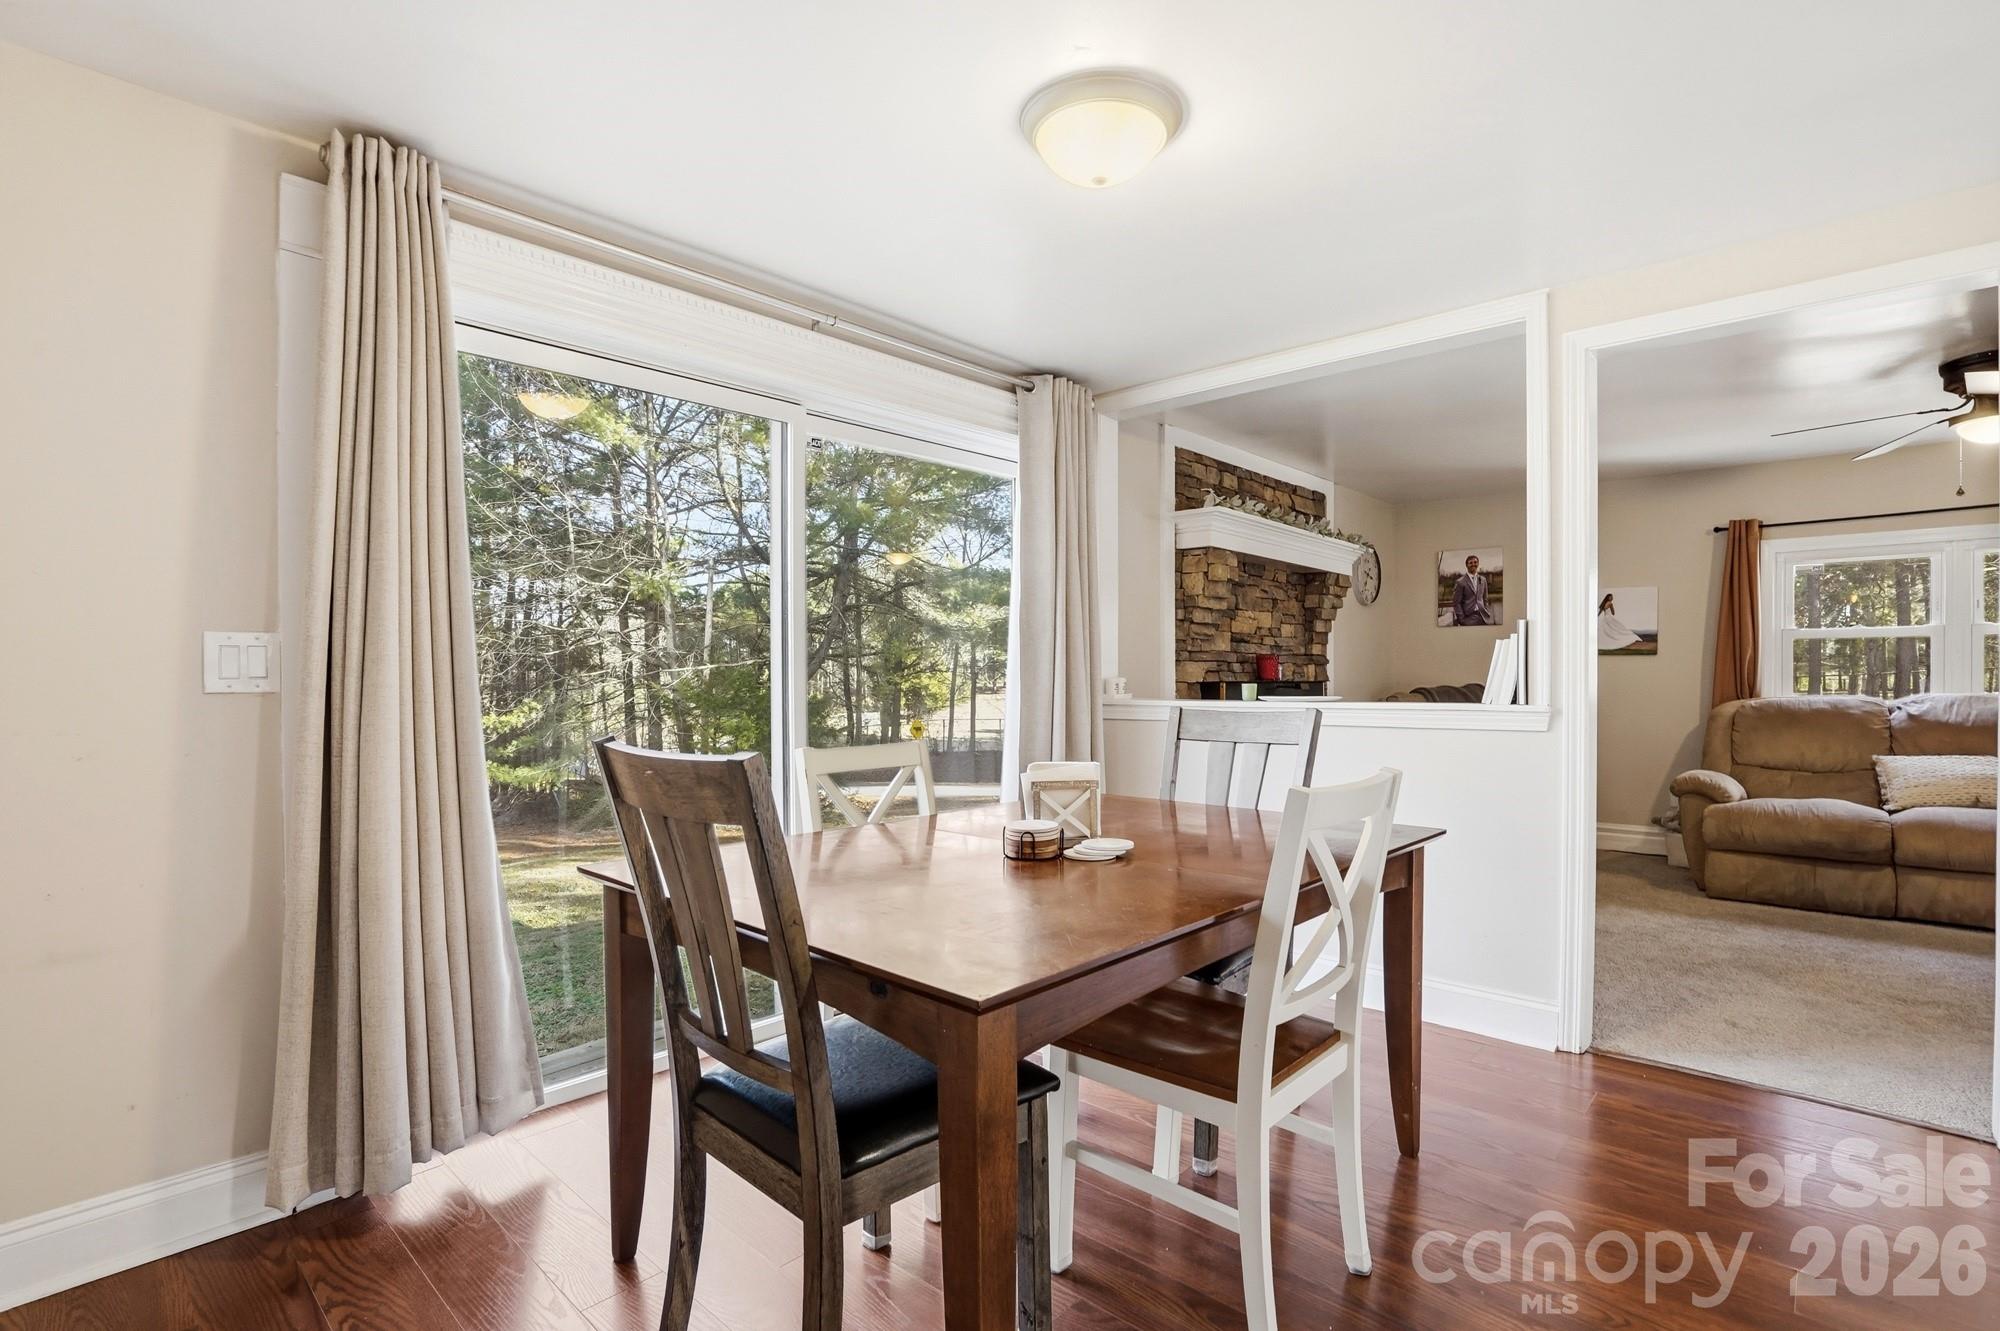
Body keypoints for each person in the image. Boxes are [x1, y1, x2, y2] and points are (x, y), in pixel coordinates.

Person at [1449, 554, 1499, 626]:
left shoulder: (1483, 579)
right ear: (1466, 565)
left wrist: (1486, 610)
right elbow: (1456, 603)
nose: (1473, 564)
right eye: (1470, 563)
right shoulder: (1460, 582)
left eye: (1475, 562)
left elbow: (1485, 598)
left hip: (1483, 616)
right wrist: (1462, 619)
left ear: (1478, 564)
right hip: (1468, 618)